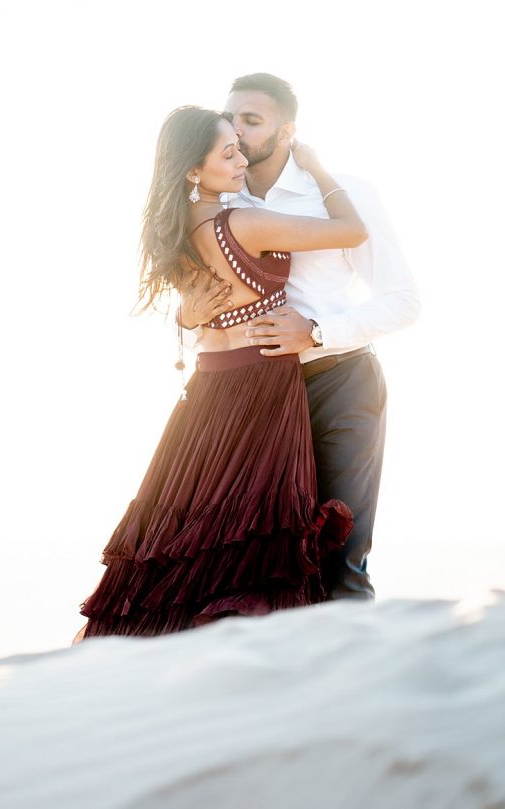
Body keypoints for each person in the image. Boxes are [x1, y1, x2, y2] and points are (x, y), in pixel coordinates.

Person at [73, 107, 365, 641]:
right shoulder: (243, 224)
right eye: (227, 152)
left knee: (190, 530)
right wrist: (321, 172)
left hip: (206, 393)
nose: (240, 157)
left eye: (239, 145)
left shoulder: (172, 230)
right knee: (253, 533)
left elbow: (191, 310)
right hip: (259, 390)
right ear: (192, 170)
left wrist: (188, 312)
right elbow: (352, 230)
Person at [211, 73, 421, 601]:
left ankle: (360, 677)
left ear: (289, 131)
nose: (235, 130)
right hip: (253, 396)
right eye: (230, 117)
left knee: (338, 553)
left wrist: (317, 333)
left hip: (340, 383)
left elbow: (403, 301)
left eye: (252, 120)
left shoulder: (343, 195)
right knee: (256, 563)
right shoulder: (210, 201)